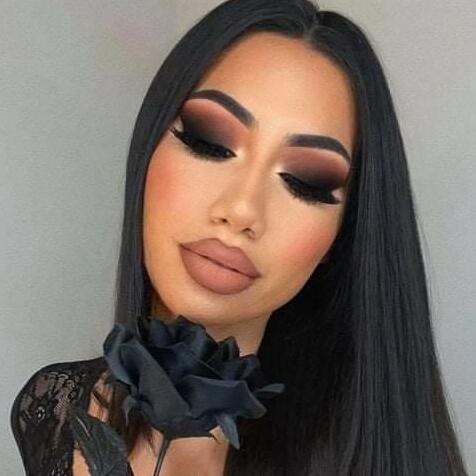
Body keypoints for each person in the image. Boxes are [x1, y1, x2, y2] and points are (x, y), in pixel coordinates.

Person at [10, 0, 469, 475]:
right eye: (209, 141)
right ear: (148, 148)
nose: (242, 209)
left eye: (306, 182)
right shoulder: (57, 409)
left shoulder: (376, 458)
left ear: (341, 236)